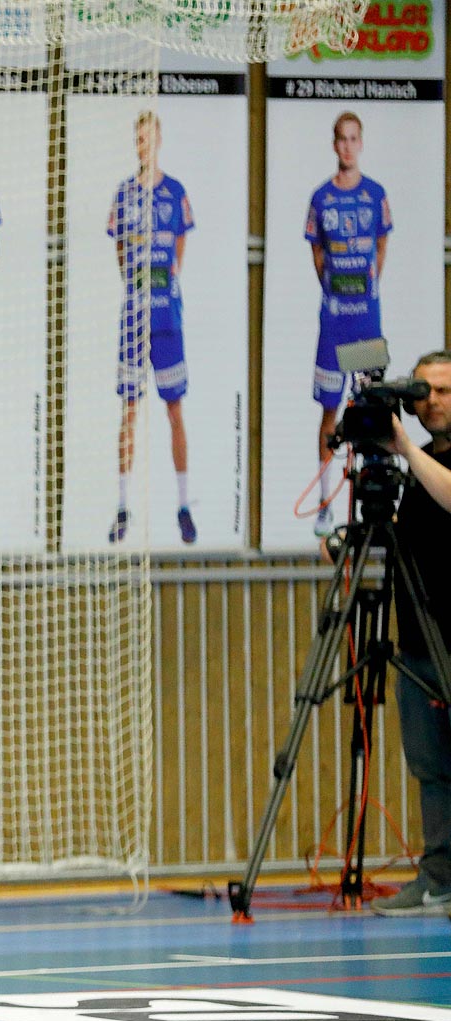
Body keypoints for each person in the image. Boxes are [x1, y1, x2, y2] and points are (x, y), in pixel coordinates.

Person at [372, 351, 451, 915]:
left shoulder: (428, 467)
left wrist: (406, 452)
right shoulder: (418, 466)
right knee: (431, 769)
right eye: (425, 392)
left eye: (446, 390)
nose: (435, 401)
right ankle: (439, 878)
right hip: (418, 643)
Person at [107, 110, 196, 546]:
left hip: (167, 320)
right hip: (133, 319)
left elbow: (179, 250)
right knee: (128, 411)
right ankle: (123, 507)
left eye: (149, 137)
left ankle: (183, 505)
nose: (144, 145)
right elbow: (121, 253)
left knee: (173, 410)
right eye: (137, 138)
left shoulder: (176, 192)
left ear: (159, 139)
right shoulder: (123, 193)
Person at [305, 110, 390, 539]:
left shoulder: (375, 194)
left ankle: (374, 511)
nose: (348, 146)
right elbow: (318, 253)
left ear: (362, 142)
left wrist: (366, 290)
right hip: (333, 324)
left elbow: (380, 245)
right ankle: (324, 505)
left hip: (365, 324)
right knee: (330, 413)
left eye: (355, 138)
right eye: (341, 139)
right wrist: (334, 290)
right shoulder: (321, 198)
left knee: (370, 408)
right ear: (334, 143)